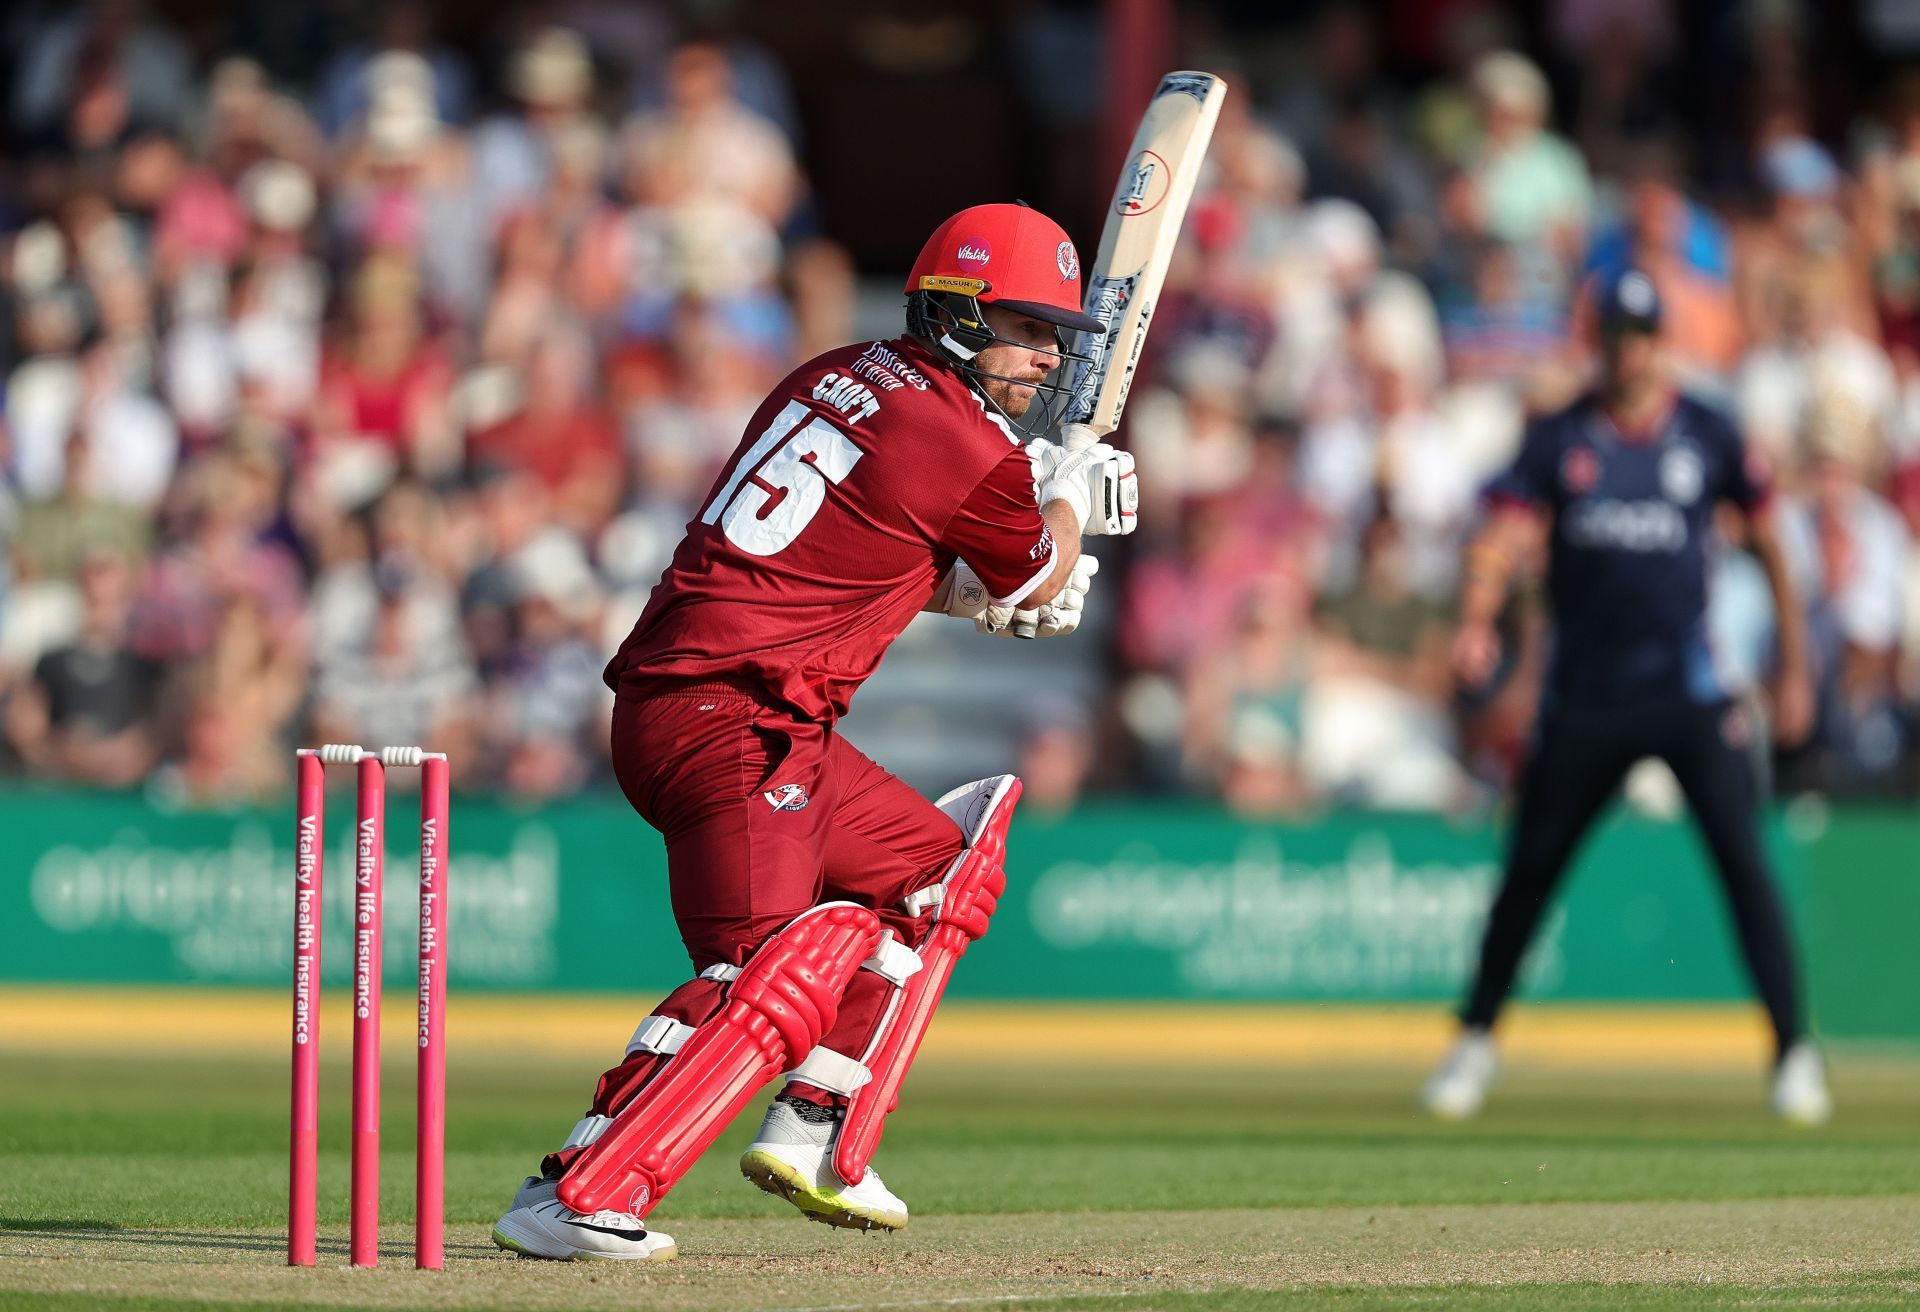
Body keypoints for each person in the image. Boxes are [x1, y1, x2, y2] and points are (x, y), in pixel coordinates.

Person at [491, 203, 1132, 1260]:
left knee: (935, 870)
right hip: (734, 721)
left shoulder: (836, 373)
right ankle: (574, 1191)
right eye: (1029, 330)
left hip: (716, 710)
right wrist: (1066, 505)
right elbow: (1034, 564)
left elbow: (850, 552)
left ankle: (815, 1122)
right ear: (963, 315)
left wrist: (977, 590)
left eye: (1054, 336)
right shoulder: (963, 437)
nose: (1046, 357)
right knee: (760, 972)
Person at [1421, 268, 1832, 1125]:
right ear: (1598, 339)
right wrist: (1476, 618)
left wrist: (1794, 668)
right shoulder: (1561, 436)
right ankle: (1474, 1043)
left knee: (1746, 871)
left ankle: (1794, 1054)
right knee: (1529, 874)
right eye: (1615, 333)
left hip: (1691, 692)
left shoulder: (1707, 433)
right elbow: (1502, 536)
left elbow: (1771, 549)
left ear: (1661, 341)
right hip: (1585, 699)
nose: (1628, 349)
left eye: (1642, 333)